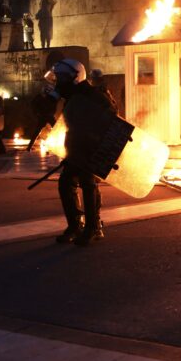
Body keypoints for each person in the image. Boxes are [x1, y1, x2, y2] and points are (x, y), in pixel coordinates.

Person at [49, 58, 116, 246]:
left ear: (75, 77)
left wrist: (96, 142)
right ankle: (75, 226)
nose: (59, 81)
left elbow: (110, 117)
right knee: (65, 183)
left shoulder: (93, 94)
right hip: (75, 148)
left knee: (88, 184)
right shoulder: (71, 95)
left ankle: (93, 227)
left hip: (91, 148)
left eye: (62, 77)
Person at [26, 84, 60, 151]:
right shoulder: (51, 98)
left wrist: (37, 114)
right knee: (56, 129)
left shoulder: (39, 97)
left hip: (43, 116)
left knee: (37, 132)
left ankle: (29, 147)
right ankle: (29, 147)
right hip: (47, 116)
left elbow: (33, 106)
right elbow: (54, 106)